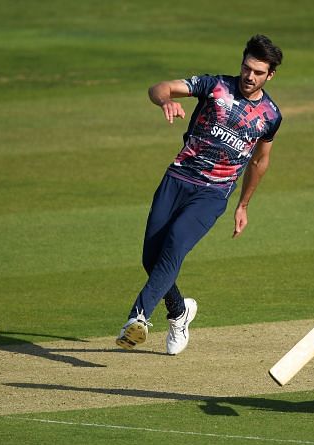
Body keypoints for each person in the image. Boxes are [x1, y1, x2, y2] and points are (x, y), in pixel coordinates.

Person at [116, 35, 283, 355]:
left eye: (258, 72)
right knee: (151, 258)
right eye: (247, 68)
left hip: (213, 193)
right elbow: (159, 87)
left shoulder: (271, 116)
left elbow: (261, 161)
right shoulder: (215, 85)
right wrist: (165, 101)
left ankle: (137, 319)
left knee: (175, 244)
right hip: (177, 178)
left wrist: (243, 204)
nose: (250, 76)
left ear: (270, 75)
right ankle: (179, 312)